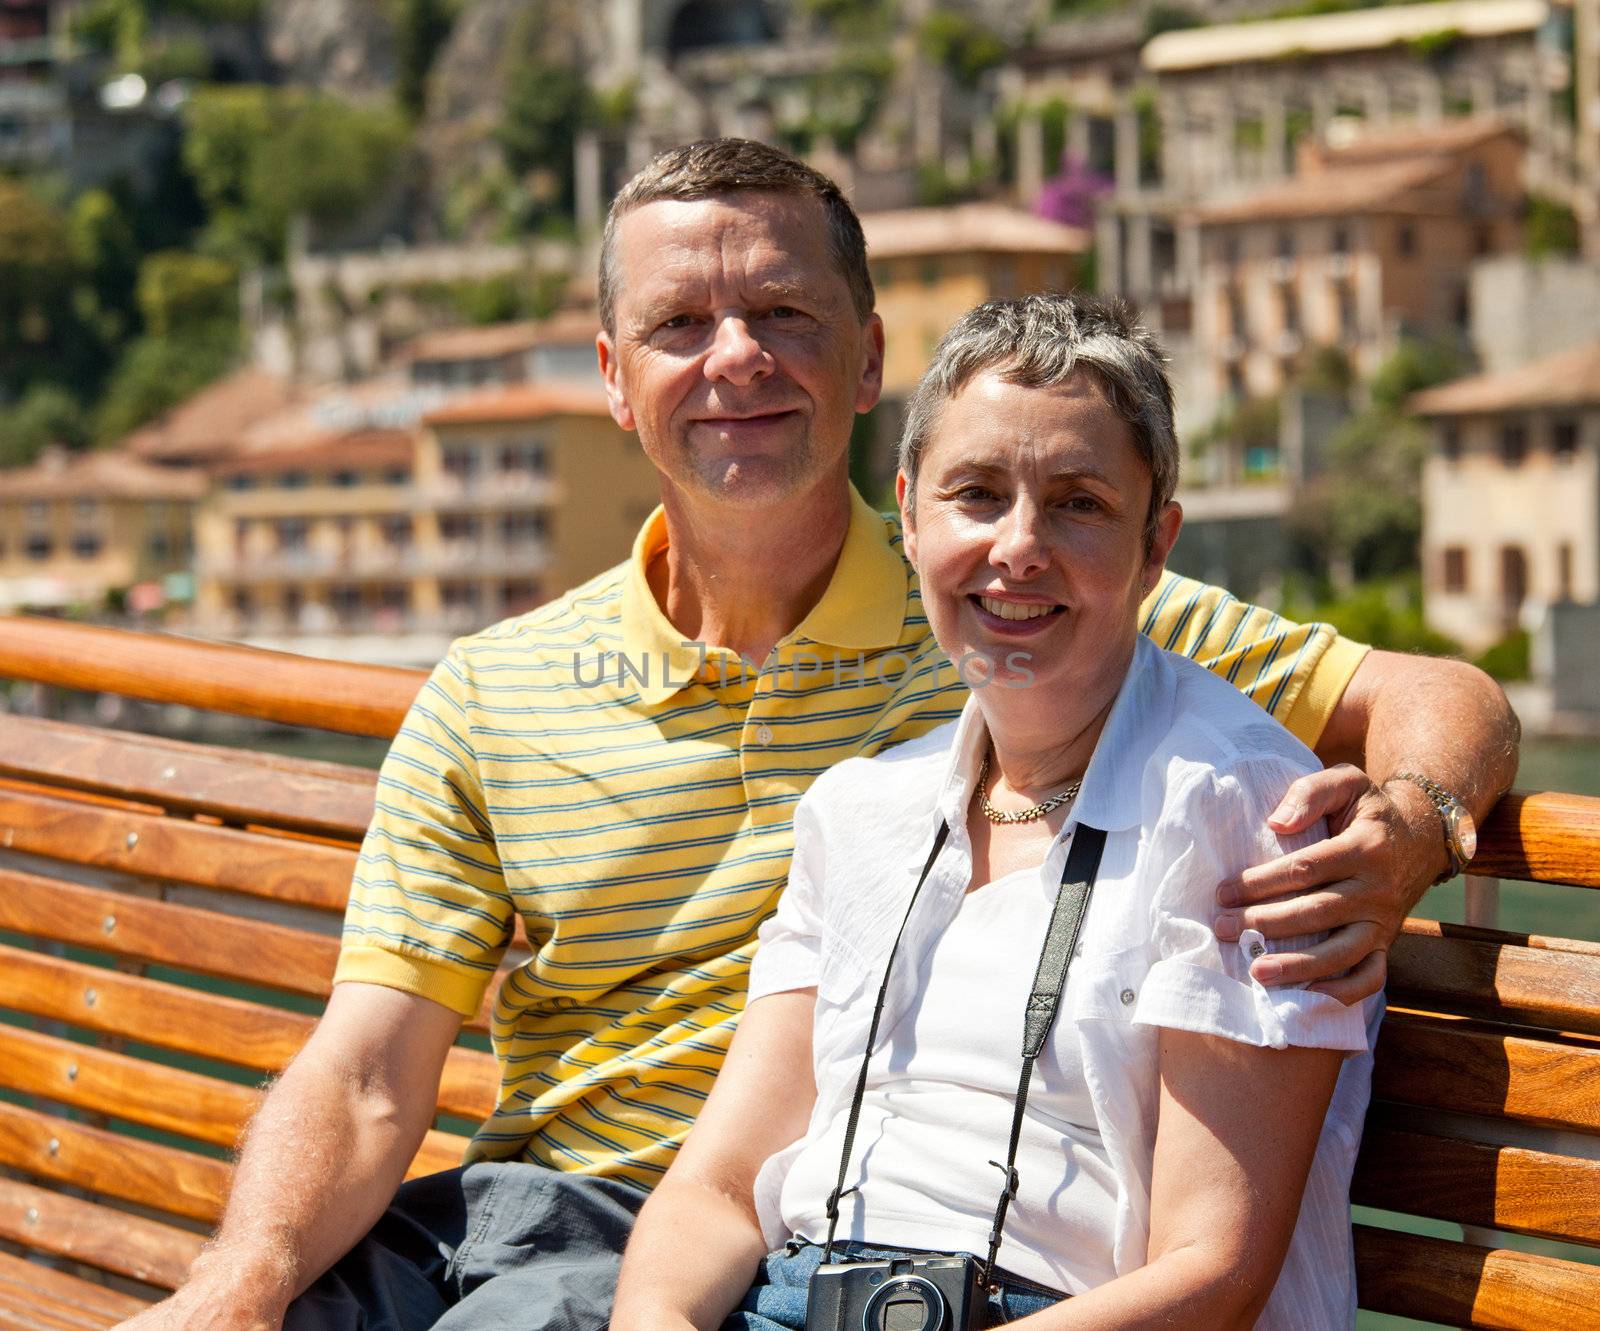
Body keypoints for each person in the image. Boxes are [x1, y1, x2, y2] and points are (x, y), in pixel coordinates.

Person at [117, 139, 1517, 1331]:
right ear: (615, 375)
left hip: (765, 1252)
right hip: (569, 1225)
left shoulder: (1036, 608)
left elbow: (1442, 698)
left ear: (867, 359)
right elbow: (367, 1074)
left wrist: (1417, 822)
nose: (737, 360)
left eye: (785, 313)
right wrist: (236, 1278)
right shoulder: (499, 691)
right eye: (681, 327)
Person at [611, 292, 1378, 1331]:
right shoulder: (855, 813)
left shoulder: (1237, 807)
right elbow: (716, 1186)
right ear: (910, 520)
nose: (1019, 546)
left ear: (1155, 546)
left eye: (1078, 504)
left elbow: (1213, 1270)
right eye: (975, 494)